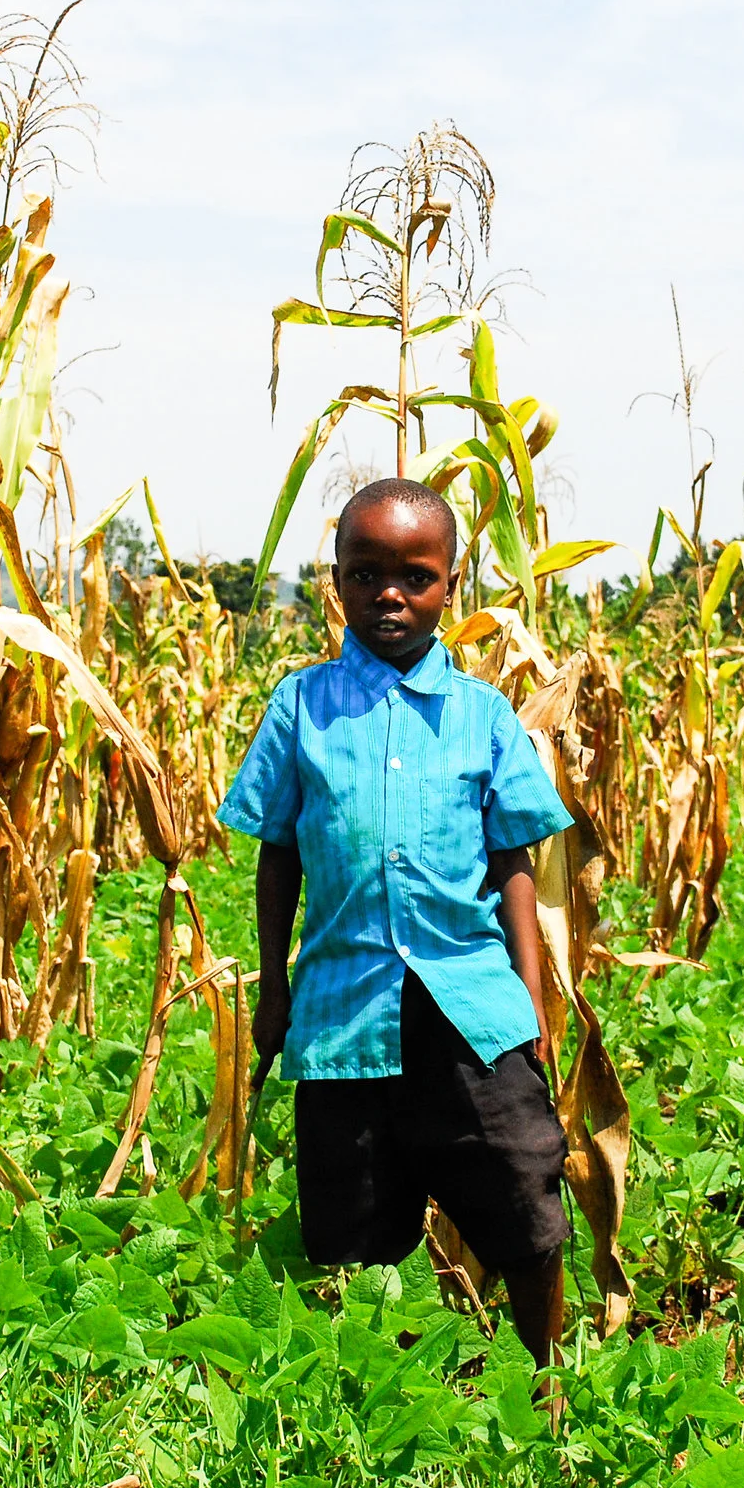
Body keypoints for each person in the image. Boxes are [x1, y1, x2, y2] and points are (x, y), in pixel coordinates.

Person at [217, 476, 577, 1368]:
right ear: (335, 580)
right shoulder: (300, 709)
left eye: (414, 576)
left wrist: (532, 1002)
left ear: (450, 585)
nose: (390, 593)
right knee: (355, 1228)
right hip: (344, 1013)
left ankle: (545, 1383)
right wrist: (275, 989)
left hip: (470, 1008)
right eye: (366, 571)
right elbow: (279, 856)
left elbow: (513, 864)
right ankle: (388, 1396)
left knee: (524, 1198)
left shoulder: (485, 717)